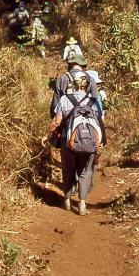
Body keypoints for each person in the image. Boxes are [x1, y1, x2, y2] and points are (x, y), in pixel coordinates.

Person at [42, 71, 102, 215]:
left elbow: (57, 121)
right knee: (85, 172)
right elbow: (100, 121)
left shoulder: (64, 99)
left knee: (68, 170)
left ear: (73, 84)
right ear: (88, 84)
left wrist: (46, 135)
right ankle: (82, 204)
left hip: (67, 141)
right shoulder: (93, 100)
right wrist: (99, 142)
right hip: (89, 144)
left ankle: (67, 201)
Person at [50, 54, 100, 118]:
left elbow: (55, 103)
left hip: (66, 118)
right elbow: (96, 101)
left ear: (70, 65)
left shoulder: (61, 79)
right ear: (83, 66)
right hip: (87, 117)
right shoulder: (90, 79)